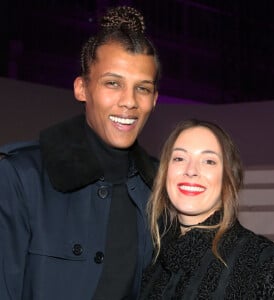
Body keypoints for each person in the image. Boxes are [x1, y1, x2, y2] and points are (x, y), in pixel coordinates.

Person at [0, 6, 160, 300]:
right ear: (82, 88)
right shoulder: (21, 177)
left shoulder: (159, 190)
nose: (129, 101)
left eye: (143, 88)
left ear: (154, 99)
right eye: (113, 83)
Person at [139, 119, 274, 299]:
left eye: (208, 161)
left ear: (228, 179)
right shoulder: (149, 259)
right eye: (179, 158)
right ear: (164, 173)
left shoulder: (262, 263)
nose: (191, 170)